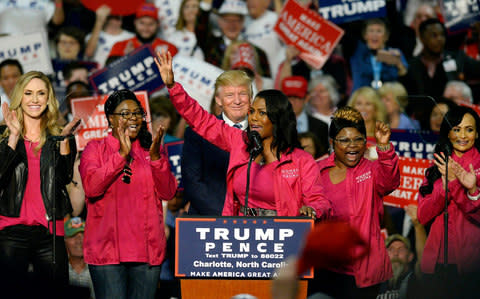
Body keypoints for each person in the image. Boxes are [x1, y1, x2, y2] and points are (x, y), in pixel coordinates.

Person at [156, 50, 331, 218]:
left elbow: (318, 200)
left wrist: (313, 209)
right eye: (253, 111)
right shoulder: (240, 141)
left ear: (277, 119)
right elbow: (200, 120)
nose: (254, 118)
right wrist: (173, 86)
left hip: (282, 235)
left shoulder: (301, 160)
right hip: (242, 232)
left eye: (262, 113)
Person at [79, 89, 177, 299]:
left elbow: (168, 192)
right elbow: (92, 188)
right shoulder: (94, 149)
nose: (133, 118)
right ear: (110, 119)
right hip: (108, 252)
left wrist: (157, 159)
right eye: (125, 113)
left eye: (137, 113)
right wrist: (121, 155)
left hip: (146, 251)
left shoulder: (151, 150)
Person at [0, 71, 79, 297]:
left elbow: (64, 179)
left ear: (49, 98)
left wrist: (64, 142)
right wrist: (14, 137)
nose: (35, 99)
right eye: (28, 93)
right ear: (19, 97)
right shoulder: (2, 136)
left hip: (50, 233)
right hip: (10, 230)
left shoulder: (59, 135)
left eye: (41, 93)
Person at [312, 106, 400, 298]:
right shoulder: (317, 172)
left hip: (367, 271)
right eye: (344, 140)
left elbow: (390, 181)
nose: (352, 146)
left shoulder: (371, 170)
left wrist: (384, 147)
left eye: (358, 139)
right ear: (332, 142)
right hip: (328, 269)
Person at [418, 105, 480, 297]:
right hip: (436, 263)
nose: (463, 135)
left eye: (469, 129)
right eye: (456, 129)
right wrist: (445, 187)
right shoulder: (437, 166)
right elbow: (423, 215)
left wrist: (470, 189)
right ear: (448, 133)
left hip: (471, 266)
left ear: (477, 134)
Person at [182, 70, 252, 216]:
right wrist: (225, 216)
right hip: (209, 221)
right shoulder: (198, 133)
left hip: (255, 223)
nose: (237, 101)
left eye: (242, 94)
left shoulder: (265, 133)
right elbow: (193, 182)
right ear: (218, 100)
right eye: (229, 95)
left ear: (251, 98)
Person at [349, 18, 408, 92]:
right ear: (365, 35)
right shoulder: (357, 52)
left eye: (379, 31)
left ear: (386, 36)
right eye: (371, 31)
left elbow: (404, 74)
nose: (374, 35)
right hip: (363, 98)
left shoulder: (393, 53)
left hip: (387, 97)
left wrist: (398, 63)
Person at [108, 3, 178, 60]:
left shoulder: (170, 49)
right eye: (142, 23)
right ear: (135, 22)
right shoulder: (119, 46)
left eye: (151, 24)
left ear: (158, 24)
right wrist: (126, 59)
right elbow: (108, 74)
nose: (146, 28)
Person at [281, 75, 329, 157]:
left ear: (306, 98)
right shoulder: (274, 125)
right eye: (289, 97)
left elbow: (324, 157)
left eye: (297, 97)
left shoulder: (321, 126)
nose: (292, 102)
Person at [64, 216, 95, 298]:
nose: (79, 240)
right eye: (73, 236)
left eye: (83, 235)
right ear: (64, 241)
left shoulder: (99, 270)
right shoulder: (56, 270)